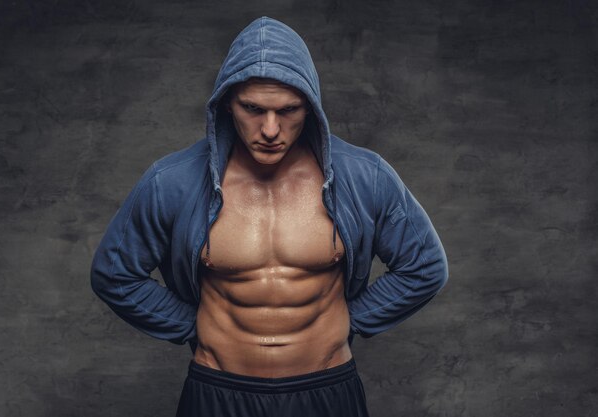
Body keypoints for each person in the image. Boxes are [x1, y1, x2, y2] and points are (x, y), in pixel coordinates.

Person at [91, 16, 448, 417]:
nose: (271, 129)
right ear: (228, 101)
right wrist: (196, 326)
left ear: (310, 108)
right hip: (219, 389)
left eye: (289, 110)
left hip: (326, 387)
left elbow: (425, 266)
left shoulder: (366, 176)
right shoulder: (170, 182)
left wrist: (346, 322)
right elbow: (114, 273)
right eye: (254, 109)